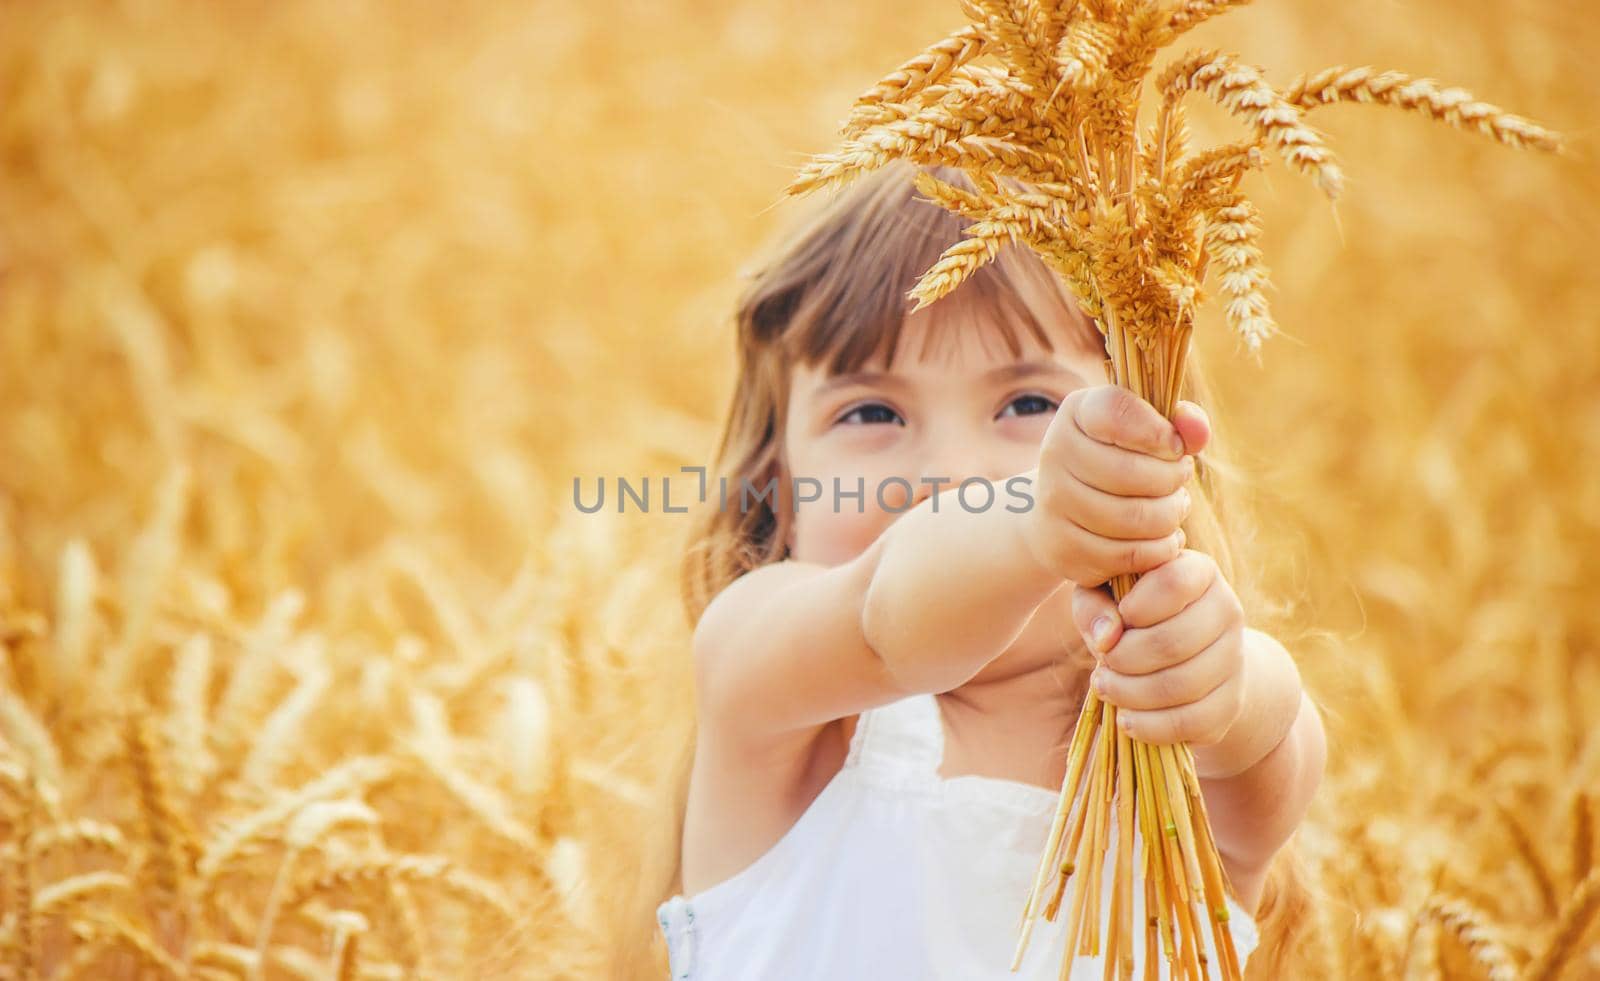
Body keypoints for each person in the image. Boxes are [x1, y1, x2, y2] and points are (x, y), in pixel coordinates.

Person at [631, 159, 1326, 980]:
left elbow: (1270, 744)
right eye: (872, 412)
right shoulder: (766, 691)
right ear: (779, 488)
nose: (949, 473)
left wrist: (1223, 675)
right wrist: (1036, 524)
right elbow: (885, 619)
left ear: (1146, 451)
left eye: (1029, 404)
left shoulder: (1171, 764)